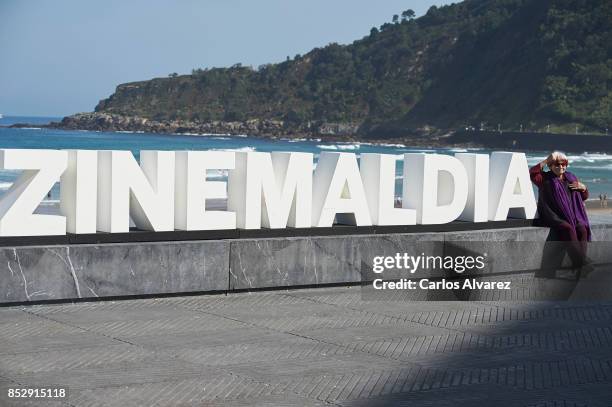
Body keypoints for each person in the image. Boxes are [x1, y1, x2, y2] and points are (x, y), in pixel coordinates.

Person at [530, 151, 592, 272]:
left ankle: (579, 264)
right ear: (551, 166)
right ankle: (582, 263)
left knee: (582, 229)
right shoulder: (544, 179)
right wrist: (547, 160)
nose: (561, 167)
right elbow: (532, 173)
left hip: (571, 215)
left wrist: (584, 188)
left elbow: (582, 197)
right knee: (567, 228)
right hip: (552, 215)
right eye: (557, 165)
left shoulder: (571, 178)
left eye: (564, 164)